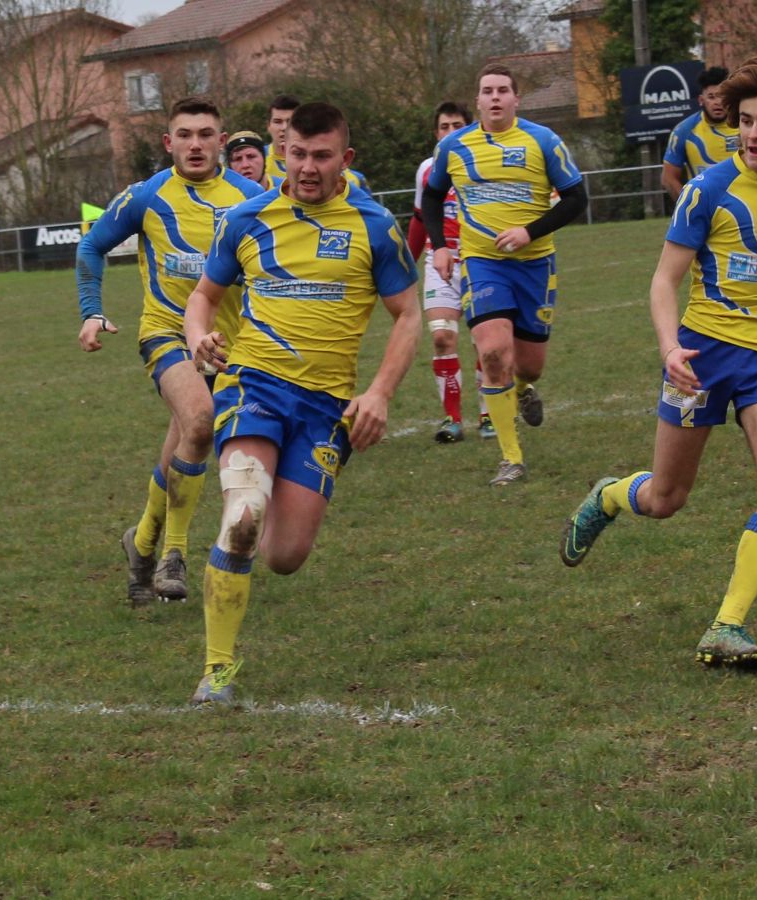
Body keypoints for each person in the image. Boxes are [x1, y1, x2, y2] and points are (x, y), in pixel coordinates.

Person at [560, 49, 757, 672]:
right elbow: (661, 282)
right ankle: (609, 497)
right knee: (666, 498)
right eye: (745, 122)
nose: (754, 133)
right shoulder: (708, 190)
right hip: (700, 358)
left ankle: (727, 625)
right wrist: (668, 347)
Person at [183, 101, 419, 705]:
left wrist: (379, 394)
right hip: (252, 385)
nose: (307, 167)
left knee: (285, 555)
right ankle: (217, 670)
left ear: (347, 158)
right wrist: (197, 336)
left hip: (325, 407)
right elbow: (202, 298)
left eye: (321, 156)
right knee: (242, 515)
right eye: (296, 153)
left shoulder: (373, 225)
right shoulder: (247, 218)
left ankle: (235, 559)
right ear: (280, 149)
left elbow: (408, 316)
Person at [77, 98, 264, 606]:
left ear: (222, 142)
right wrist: (91, 310)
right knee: (200, 420)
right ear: (168, 143)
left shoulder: (252, 198)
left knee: (187, 439)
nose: (196, 144)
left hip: (230, 346)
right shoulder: (146, 197)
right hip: (165, 333)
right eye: (185, 135)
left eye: (206, 134)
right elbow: (91, 246)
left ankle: (139, 544)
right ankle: (173, 554)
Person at [420, 62, 589, 485]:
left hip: (536, 266)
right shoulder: (454, 146)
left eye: (502, 90)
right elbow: (433, 197)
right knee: (493, 354)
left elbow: (575, 197)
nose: (494, 97)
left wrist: (529, 232)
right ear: (477, 100)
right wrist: (441, 245)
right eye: (487, 91)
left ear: (516, 98)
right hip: (481, 263)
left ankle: (524, 389)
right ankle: (511, 458)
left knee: (529, 367)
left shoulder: (543, 141)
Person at [407, 101, 493, 442]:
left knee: (486, 344)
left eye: (457, 125)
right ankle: (452, 419)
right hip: (438, 261)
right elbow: (418, 219)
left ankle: (488, 415)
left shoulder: (483, 163)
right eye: (444, 127)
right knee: (442, 337)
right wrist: (405, 265)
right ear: (436, 132)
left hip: (481, 260)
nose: (450, 133)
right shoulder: (427, 169)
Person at [263, 93, 371, 195]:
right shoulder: (253, 161)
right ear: (268, 126)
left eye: (290, 121)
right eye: (277, 122)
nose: (284, 128)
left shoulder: (352, 178)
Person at [661, 67, 735, 201]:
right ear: (701, 100)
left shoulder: (745, 125)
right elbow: (668, 178)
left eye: (722, 96)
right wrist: (688, 206)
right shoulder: (684, 131)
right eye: (711, 97)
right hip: (706, 210)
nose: (717, 102)